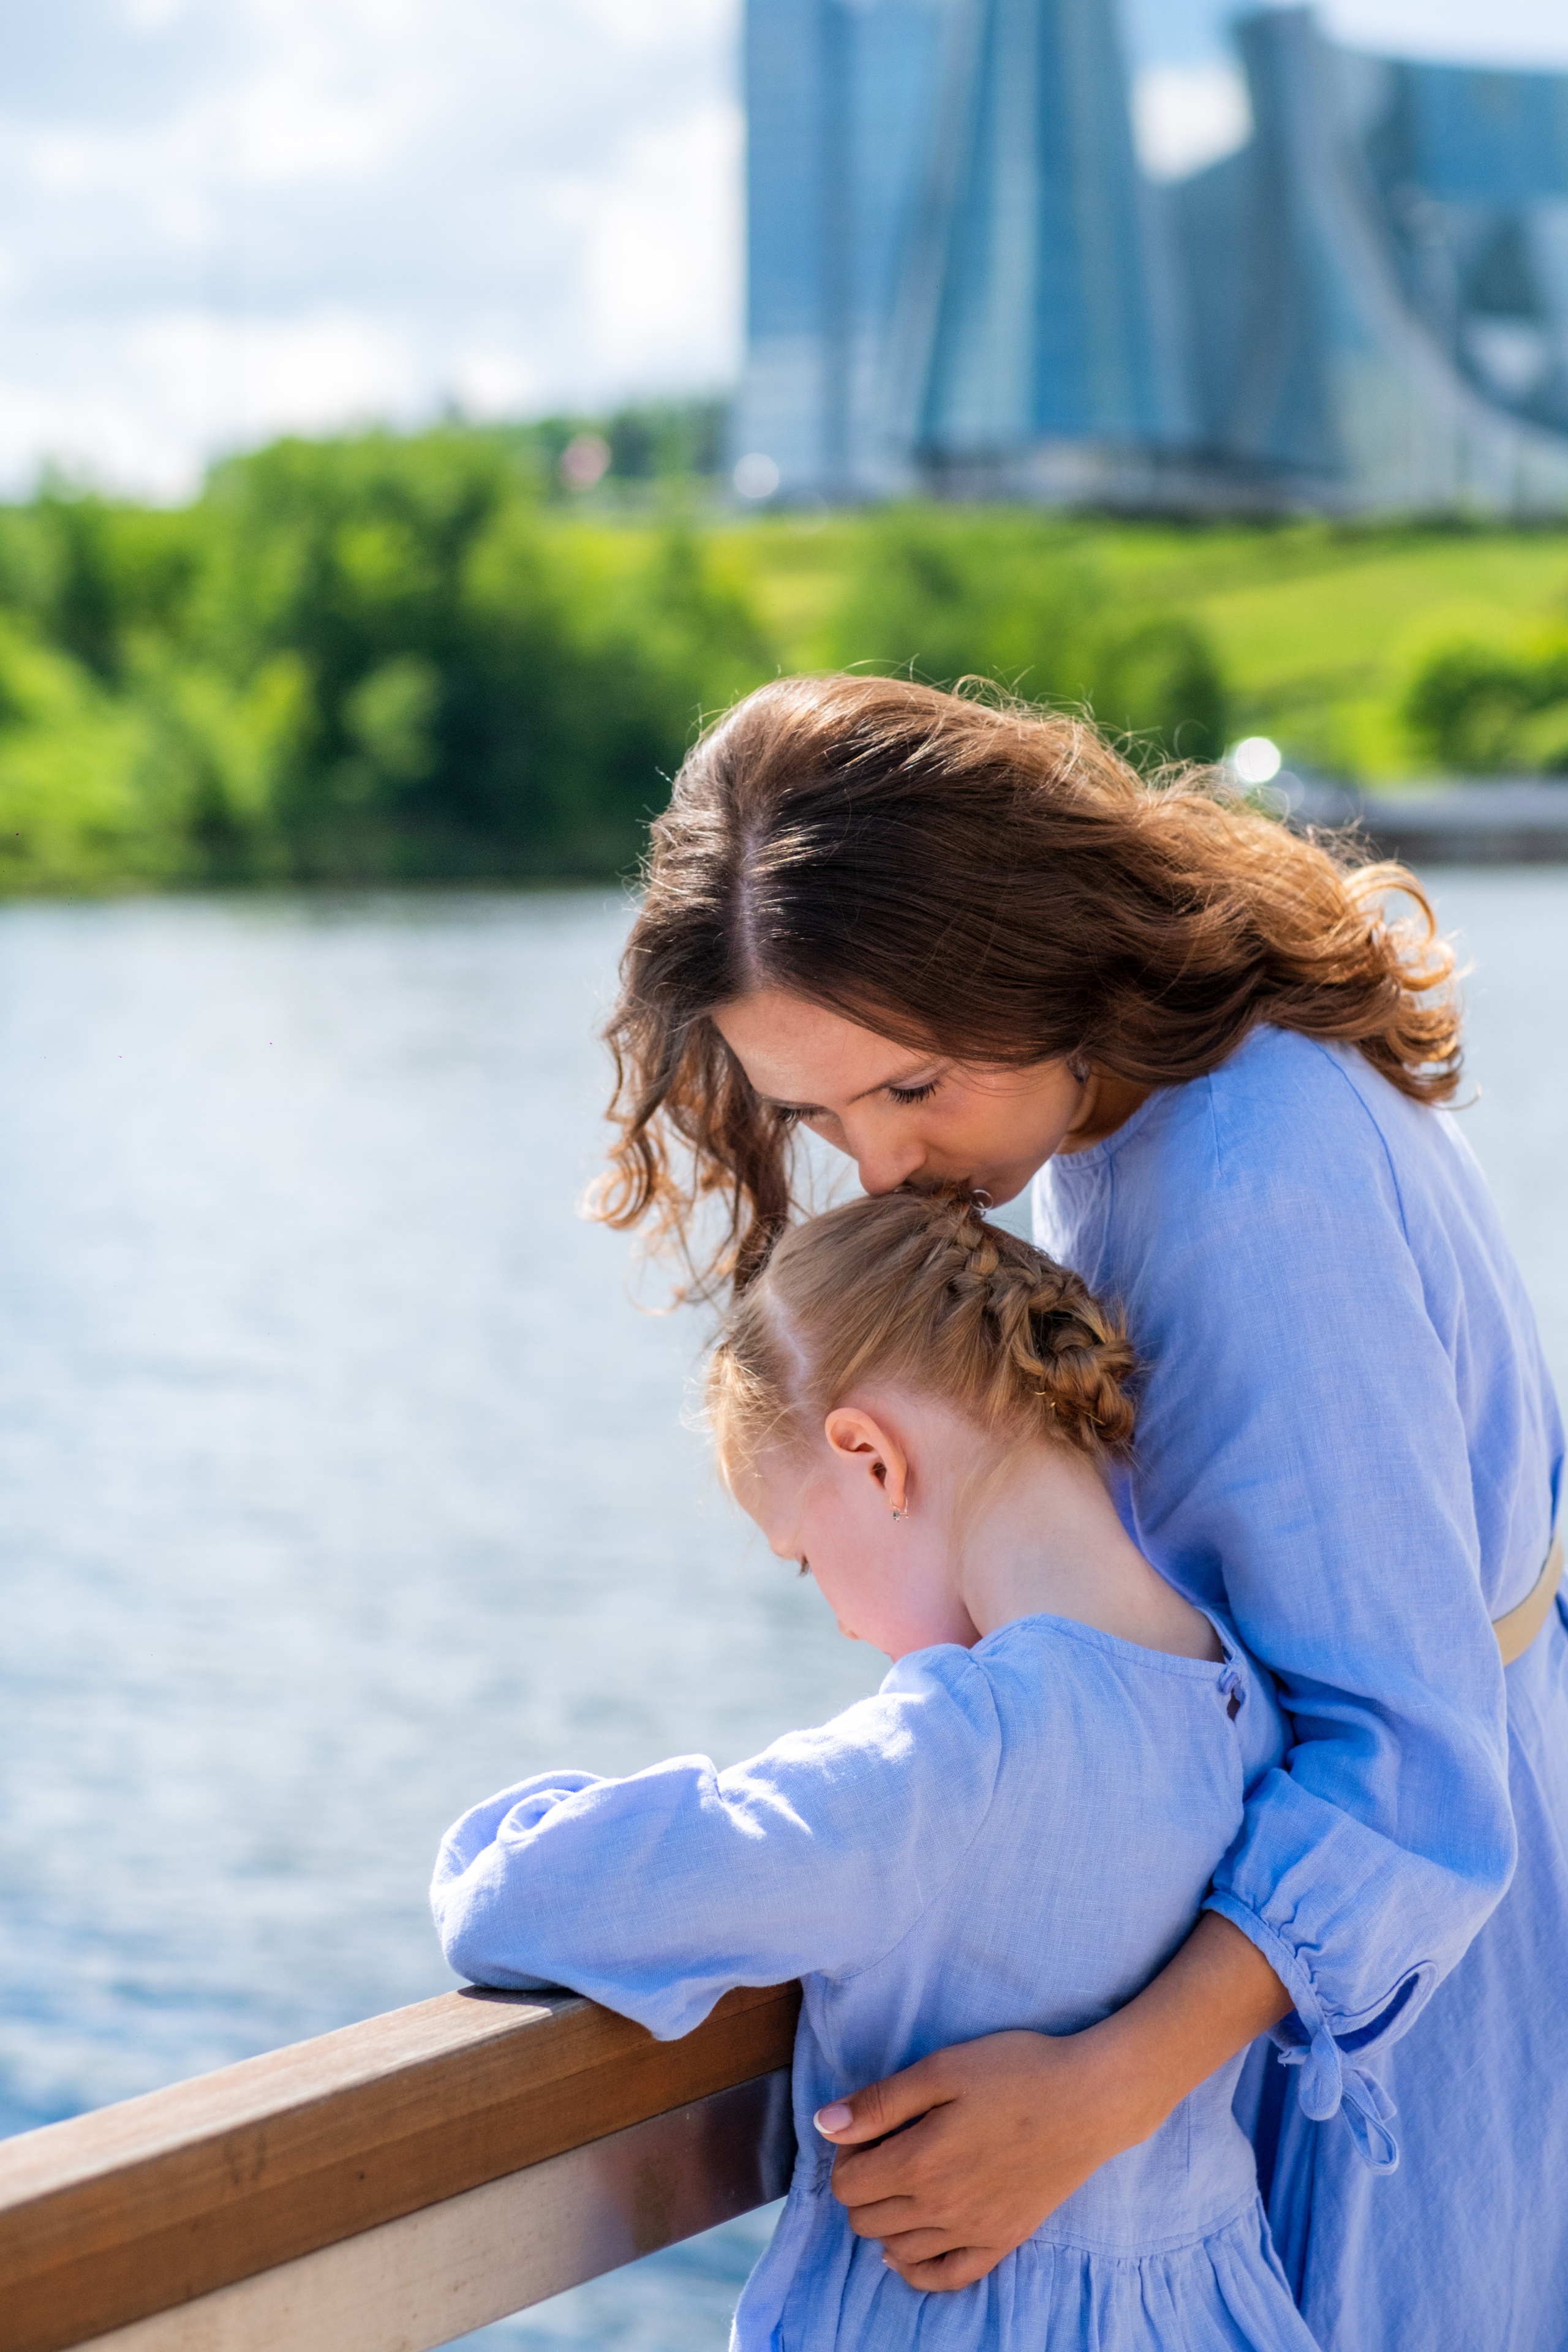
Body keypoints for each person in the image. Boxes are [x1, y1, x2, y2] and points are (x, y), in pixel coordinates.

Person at [589, 675, 1566, 2352]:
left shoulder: (1248, 1180)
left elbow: (1403, 1759)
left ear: (1022, 947)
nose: (884, 1168)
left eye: (908, 1087)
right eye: (816, 1115)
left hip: (1391, 2001)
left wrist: (1099, 2093)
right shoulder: (1151, 1080)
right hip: (1354, 1941)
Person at [434, 1191, 1319, 2352]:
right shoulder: (1236, 1686)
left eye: (805, 1560)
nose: (845, 1624)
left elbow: (536, 1903)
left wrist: (503, 1834)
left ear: (872, 1460)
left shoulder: (958, 1750)